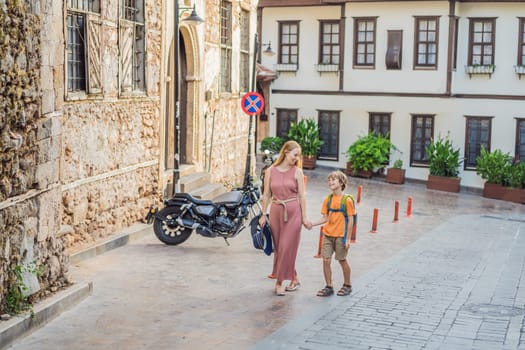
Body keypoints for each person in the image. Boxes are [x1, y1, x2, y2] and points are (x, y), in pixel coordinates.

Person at [259, 140, 309, 296]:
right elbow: (266, 194)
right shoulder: (270, 171)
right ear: (286, 152)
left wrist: (304, 217)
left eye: (298, 156)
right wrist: (263, 213)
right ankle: (295, 278)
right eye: (295, 155)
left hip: (293, 212)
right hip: (275, 211)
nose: (296, 158)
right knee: (280, 249)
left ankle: (279, 282)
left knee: (286, 246)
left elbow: (302, 196)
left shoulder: (297, 172)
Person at [307, 170, 355, 297]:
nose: (330, 182)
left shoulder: (347, 200)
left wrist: (348, 238)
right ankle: (329, 286)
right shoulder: (327, 199)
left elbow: (351, 220)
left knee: (342, 260)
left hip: (341, 236)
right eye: (329, 180)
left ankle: (347, 284)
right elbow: (325, 218)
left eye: (333, 179)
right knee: (326, 260)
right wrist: (312, 223)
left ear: (341, 182)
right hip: (328, 235)